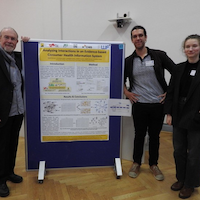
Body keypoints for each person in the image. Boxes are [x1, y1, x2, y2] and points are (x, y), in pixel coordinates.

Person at [124, 25, 175, 181]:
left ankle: (154, 164)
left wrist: (169, 93)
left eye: (140, 35)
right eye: (134, 36)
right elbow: (120, 79)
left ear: (146, 37)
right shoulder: (128, 61)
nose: (138, 38)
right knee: (139, 135)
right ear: (132, 40)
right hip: (139, 105)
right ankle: (136, 163)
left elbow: (176, 72)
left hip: (157, 104)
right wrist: (126, 92)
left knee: (154, 136)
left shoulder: (159, 56)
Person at [165, 34, 200, 199]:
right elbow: (171, 92)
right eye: (187, 46)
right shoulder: (178, 68)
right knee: (179, 150)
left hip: (197, 115)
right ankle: (181, 178)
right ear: (184, 49)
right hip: (179, 113)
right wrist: (169, 113)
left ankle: (190, 184)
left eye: (194, 46)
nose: (190, 49)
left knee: (194, 153)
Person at [0, 27, 29, 197]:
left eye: (13, 39)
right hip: (2, 113)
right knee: (1, 147)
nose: (9, 41)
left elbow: (31, 56)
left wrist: (28, 44)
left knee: (13, 144)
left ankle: (9, 172)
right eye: (6, 37)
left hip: (17, 111)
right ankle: (1, 179)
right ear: (0, 38)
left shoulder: (17, 57)